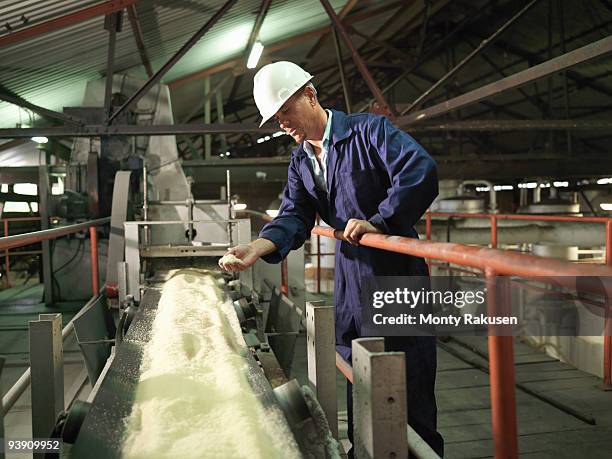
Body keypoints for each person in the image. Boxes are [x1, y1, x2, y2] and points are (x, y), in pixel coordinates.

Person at [219, 61, 444, 456]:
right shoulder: (302, 161)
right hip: (351, 277)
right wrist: (257, 247)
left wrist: (381, 221)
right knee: (361, 378)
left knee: (411, 382)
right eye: (275, 118)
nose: (283, 123)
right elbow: (294, 215)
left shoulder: (368, 131)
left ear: (310, 94)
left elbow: (419, 170)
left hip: (398, 275)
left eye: (286, 110)